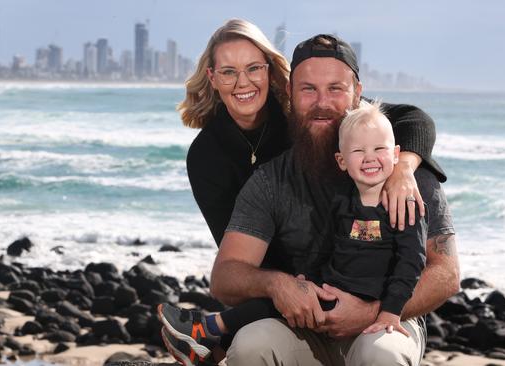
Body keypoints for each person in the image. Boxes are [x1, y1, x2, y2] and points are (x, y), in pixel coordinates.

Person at [168, 19, 451, 365]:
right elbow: (229, 273)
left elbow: (446, 273)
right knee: (251, 344)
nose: (322, 103)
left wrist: (373, 312)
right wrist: (278, 286)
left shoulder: (398, 165)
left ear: (357, 93)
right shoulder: (263, 175)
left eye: (336, 89)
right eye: (308, 90)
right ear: (288, 92)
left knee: (383, 354)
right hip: (300, 314)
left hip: (386, 316)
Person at [158, 100, 428, 357]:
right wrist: (304, 280)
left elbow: (411, 263)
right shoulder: (343, 202)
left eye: (379, 149)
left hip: (373, 298)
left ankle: (209, 331)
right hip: (331, 290)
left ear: (395, 154)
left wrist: (389, 311)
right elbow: (329, 247)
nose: (369, 158)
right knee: (279, 301)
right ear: (342, 161)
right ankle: (205, 331)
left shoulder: (403, 206)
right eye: (359, 151)